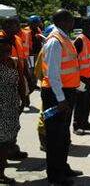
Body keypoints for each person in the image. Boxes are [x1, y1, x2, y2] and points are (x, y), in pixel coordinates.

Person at [41, 9, 82, 185]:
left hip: (66, 92)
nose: (73, 23)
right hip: (56, 94)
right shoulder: (55, 41)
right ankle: (55, 175)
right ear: (63, 21)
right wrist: (61, 99)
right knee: (55, 136)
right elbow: (52, 73)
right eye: (71, 20)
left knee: (63, 135)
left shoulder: (65, 39)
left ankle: (62, 166)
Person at [0, 17, 29, 161]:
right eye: (14, 24)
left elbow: (21, 60)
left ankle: (11, 148)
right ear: (4, 25)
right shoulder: (1, 40)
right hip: (4, 87)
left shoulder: (17, 39)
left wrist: (27, 81)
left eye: (18, 24)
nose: (18, 26)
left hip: (15, 83)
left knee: (13, 122)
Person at [0, 36, 27, 184]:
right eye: (1, 51)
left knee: (8, 139)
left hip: (11, 105)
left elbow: (21, 81)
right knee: (2, 142)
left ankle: (1, 169)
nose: (4, 53)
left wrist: (24, 99)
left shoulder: (15, 62)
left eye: (7, 50)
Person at [72, 17, 90, 135]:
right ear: (85, 25)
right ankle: (77, 125)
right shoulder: (80, 40)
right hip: (80, 77)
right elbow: (73, 59)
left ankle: (85, 121)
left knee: (87, 100)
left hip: (88, 76)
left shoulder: (89, 38)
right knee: (80, 101)